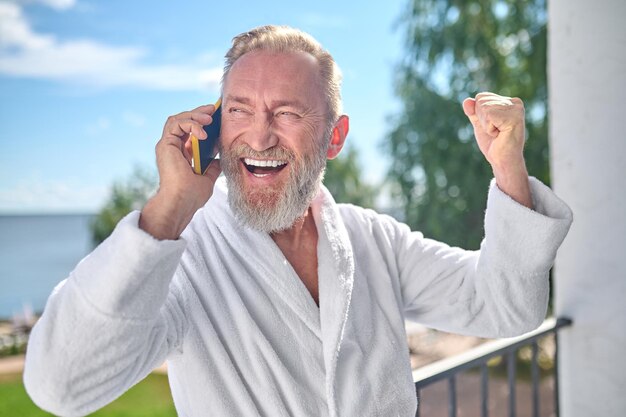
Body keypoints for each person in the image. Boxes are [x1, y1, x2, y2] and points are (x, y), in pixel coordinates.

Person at [23, 25, 573, 417]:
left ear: (335, 136)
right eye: (239, 109)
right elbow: (59, 386)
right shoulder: (180, 253)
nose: (259, 136)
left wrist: (508, 167)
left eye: (286, 113)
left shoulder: (370, 238)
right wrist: (171, 204)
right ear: (214, 124)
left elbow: (509, 305)